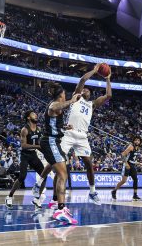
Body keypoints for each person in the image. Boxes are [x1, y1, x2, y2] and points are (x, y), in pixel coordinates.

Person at [60, 64, 112, 205]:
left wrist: (107, 79)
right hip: (69, 133)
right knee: (58, 161)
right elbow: (83, 79)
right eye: (84, 89)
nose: (85, 90)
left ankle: (92, 191)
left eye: (88, 90)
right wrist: (95, 71)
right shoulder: (76, 97)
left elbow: (108, 95)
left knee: (89, 163)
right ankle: (40, 184)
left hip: (83, 136)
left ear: (90, 94)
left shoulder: (92, 104)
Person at [39, 82, 80, 224]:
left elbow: (54, 121)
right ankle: (60, 210)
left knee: (62, 173)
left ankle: (59, 205)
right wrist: (72, 101)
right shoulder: (53, 105)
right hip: (50, 142)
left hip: (53, 142)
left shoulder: (57, 107)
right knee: (63, 174)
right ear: (61, 95)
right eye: (64, 94)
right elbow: (57, 107)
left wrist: (64, 126)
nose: (65, 95)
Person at [5, 110, 47, 210]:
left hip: (33, 154)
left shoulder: (39, 128)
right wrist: (38, 146)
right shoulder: (25, 129)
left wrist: (45, 150)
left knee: (44, 175)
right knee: (22, 176)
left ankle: (37, 198)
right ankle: (9, 196)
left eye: (36, 114)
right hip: (25, 155)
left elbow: (39, 143)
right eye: (33, 114)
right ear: (28, 117)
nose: (36, 115)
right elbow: (23, 145)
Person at [111, 136, 142, 201]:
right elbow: (123, 154)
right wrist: (126, 163)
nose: (137, 141)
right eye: (136, 140)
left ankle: (135, 195)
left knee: (135, 179)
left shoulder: (138, 148)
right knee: (123, 181)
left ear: (140, 142)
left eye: (138, 140)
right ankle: (114, 191)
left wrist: (137, 163)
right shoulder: (131, 146)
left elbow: (132, 158)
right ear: (133, 141)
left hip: (132, 165)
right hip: (127, 165)